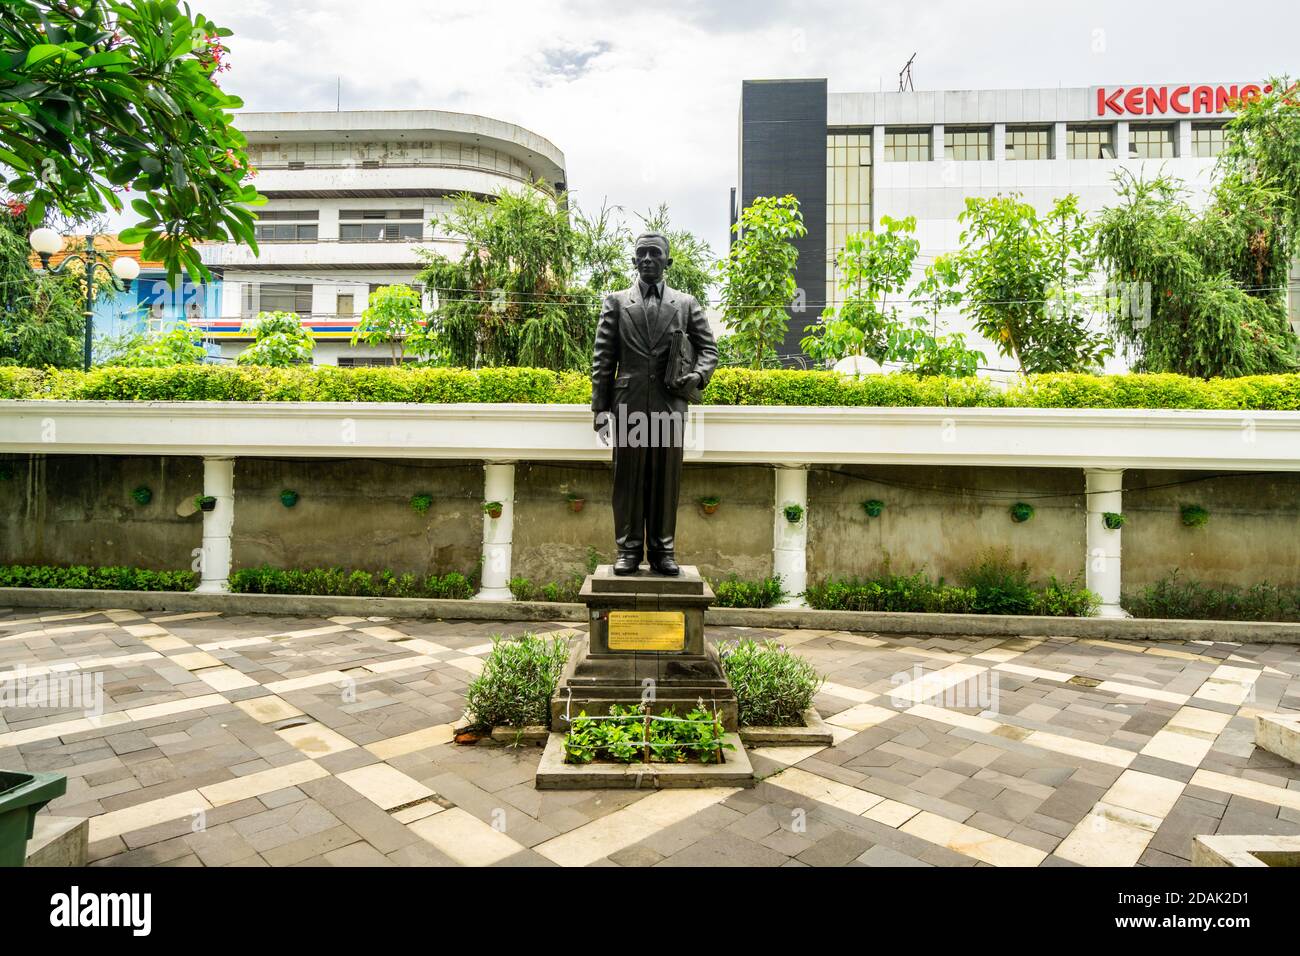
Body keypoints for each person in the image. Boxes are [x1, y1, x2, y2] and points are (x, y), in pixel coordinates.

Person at [591, 231, 718, 576]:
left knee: (666, 478)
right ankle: (628, 550)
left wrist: (698, 375)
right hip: (628, 403)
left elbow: (709, 350)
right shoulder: (615, 302)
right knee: (628, 479)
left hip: (670, 404)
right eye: (641, 254)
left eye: (654, 254)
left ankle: (663, 550)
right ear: (633, 261)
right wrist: (600, 409)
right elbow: (603, 358)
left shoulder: (686, 304)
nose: (647, 259)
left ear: (668, 261)